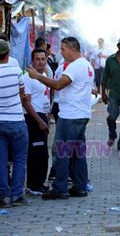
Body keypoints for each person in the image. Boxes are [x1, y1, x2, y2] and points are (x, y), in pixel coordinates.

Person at [28, 36, 94, 200]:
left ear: (72, 49)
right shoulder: (86, 65)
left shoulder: (75, 66)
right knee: (78, 152)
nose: (61, 52)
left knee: (61, 152)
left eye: (63, 49)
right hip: (81, 114)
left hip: (70, 116)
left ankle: (60, 188)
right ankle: (80, 187)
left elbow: (58, 85)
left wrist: (37, 76)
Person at [0, 39, 29, 207]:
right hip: (17, 120)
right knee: (19, 158)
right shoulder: (16, 70)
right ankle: (17, 195)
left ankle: (4, 196)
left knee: (2, 160)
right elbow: (22, 94)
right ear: (8, 54)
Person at [23, 49, 50, 194]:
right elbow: (26, 102)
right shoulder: (28, 77)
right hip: (33, 118)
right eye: (37, 59)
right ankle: (33, 185)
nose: (40, 62)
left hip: (43, 117)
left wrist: (48, 116)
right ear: (32, 61)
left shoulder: (43, 75)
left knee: (43, 153)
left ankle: (40, 183)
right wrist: (39, 120)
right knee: (35, 153)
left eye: (43, 59)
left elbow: (45, 97)